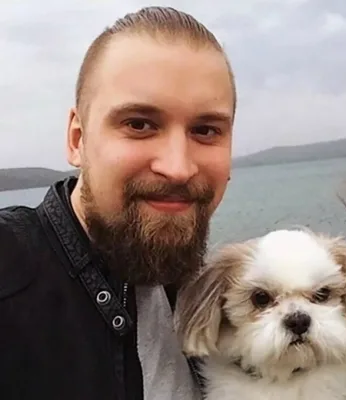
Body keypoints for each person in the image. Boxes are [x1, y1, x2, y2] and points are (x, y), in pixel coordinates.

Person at [0, 6, 235, 400]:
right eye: (139, 124)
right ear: (77, 139)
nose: (178, 168)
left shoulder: (208, 296)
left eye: (206, 130)